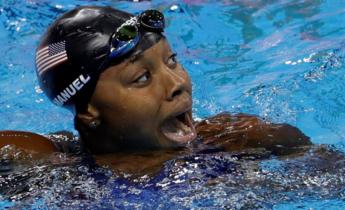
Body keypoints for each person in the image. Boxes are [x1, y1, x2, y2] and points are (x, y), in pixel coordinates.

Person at [0, 6, 311, 173]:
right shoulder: (57, 164)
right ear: (89, 113)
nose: (177, 84)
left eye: (172, 61)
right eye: (142, 78)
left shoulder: (235, 141)